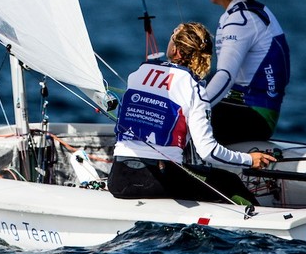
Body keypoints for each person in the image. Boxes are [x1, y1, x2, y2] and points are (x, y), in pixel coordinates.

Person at [108, 22, 276, 204]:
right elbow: (208, 152)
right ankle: (260, 221)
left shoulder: (138, 73)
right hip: (159, 181)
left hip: (118, 180)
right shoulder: (194, 89)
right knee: (229, 182)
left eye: (172, 37)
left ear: (176, 51)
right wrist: (249, 160)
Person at [199, 0, 290, 144]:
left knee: (181, 119)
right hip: (244, 107)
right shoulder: (245, 12)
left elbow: (225, 76)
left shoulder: (240, 21)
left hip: (255, 116)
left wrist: (193, 108)